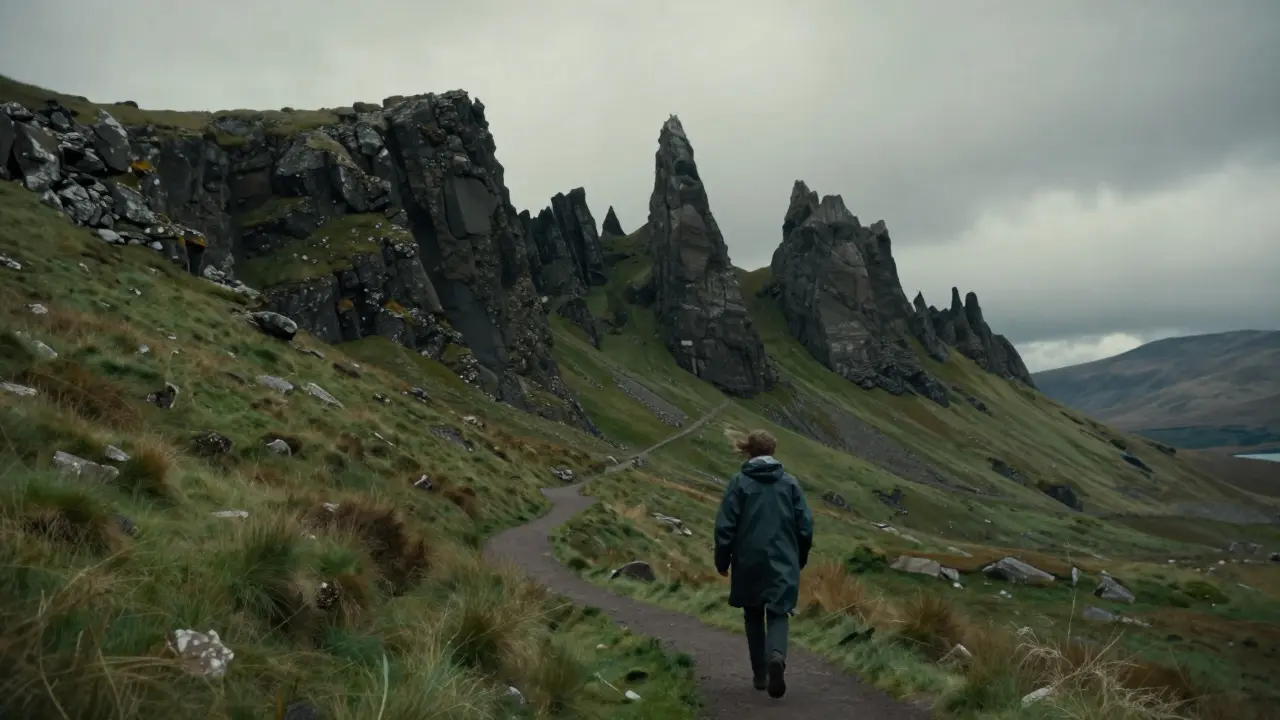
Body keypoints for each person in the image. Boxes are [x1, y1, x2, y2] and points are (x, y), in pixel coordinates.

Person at [713, 429, 814, 699]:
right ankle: (777, 658)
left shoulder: (739, 483)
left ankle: (760, 675)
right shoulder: (789, 483)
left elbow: (725, 526)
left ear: (749, 451)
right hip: (783, 558)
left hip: (748, 560)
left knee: (753, 614)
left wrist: (722, 560)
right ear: (772, 452)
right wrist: (798, 558)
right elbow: (805, 526)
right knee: (780, 611)